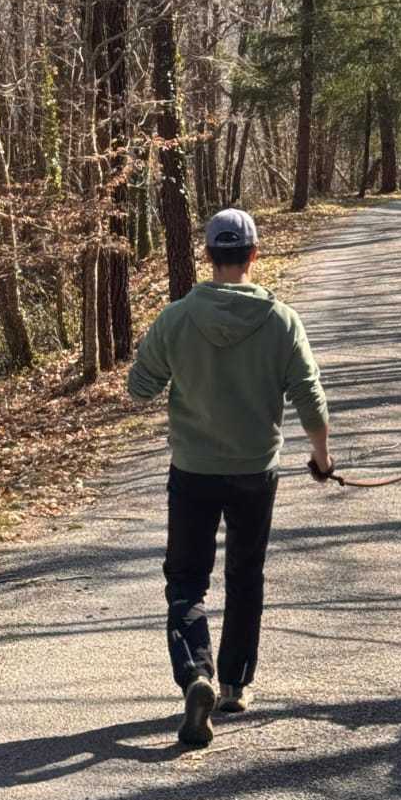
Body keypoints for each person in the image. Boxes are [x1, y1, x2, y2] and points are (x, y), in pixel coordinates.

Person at [127, 207, 333, 746]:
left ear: (208, 256)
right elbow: (309, 393)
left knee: (186, 581)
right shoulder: (281, 319)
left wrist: (167, 371)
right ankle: (236, 684)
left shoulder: (175, 318)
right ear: (254, 255)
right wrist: (322, 455)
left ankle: (196, 674)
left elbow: (140, 387)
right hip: (254, 471)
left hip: (193, 469)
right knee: (246, 575)